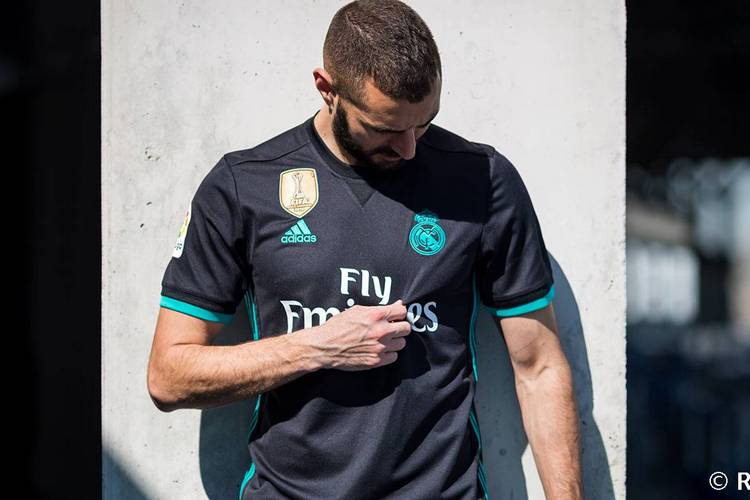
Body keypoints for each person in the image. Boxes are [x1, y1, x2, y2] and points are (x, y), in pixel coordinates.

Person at [147, 1, 583, 499]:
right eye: (385, 129)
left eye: (424, 123)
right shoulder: (244, 186)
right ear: (327, 89)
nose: (410, 148)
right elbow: (169, 376)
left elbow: (540, 366)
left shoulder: (481, 181)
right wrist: (319, 346)